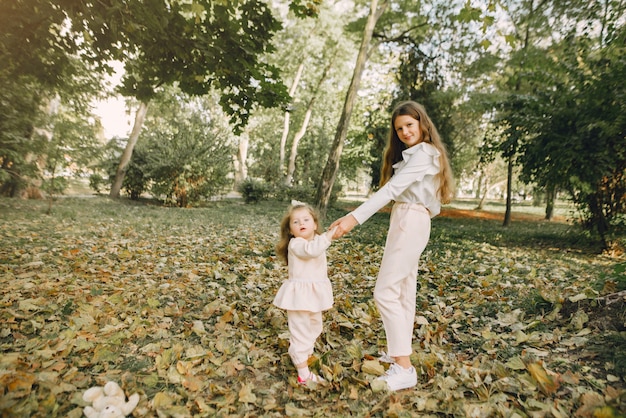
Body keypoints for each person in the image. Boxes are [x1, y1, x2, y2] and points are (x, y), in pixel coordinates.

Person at [330, 100, 454, 391]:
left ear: (422, 124)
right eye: (399, 128)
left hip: (411, 219)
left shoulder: (425, 153)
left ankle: (404, 367)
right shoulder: (414, 155)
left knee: (385, 291)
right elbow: (396, 191)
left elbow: (393, 189)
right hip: (406, 218)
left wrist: (353, 218)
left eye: (409, 125)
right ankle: (400, 355)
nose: (405, 131)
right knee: (401, 292)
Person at [273, 200, 337, 385]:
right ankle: (303, 374)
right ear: (290, 231)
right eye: (296, 222)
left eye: (306, 220)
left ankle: (303, 353)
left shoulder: (317, 240)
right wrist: (329, 236)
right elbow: (312, 251)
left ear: (315, 224)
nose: (301, 223)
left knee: (315, 326)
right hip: (299, 297)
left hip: (313, 296)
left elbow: (318, 244)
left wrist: (333, 232)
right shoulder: (297, 244)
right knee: (301, 331)